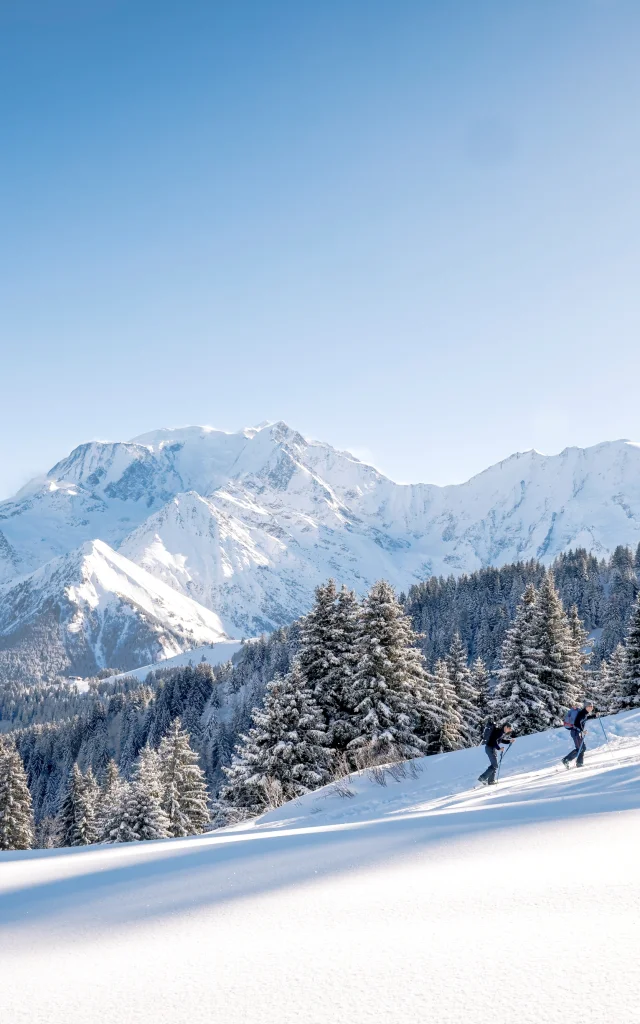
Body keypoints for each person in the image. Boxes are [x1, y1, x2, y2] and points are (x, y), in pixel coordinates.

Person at [562, 702, 594, 768]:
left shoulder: (584, 713)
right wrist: (582, 730)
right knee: (580, 748)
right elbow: (577, 723)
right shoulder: (582, 713)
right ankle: (566, 760)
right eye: (590, 706)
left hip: (577, 732)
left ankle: (579, 763)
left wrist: (594, 716)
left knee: (582, 748)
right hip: (576, 732)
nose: (591, 707)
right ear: (586, 707)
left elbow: (585, 718)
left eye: (592, 706)